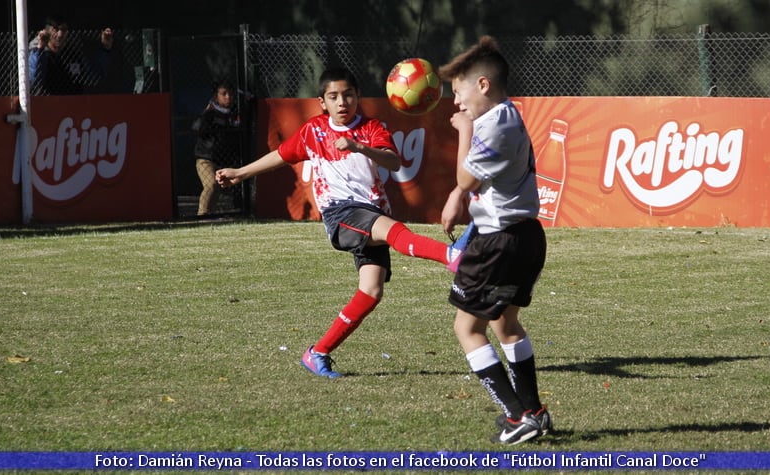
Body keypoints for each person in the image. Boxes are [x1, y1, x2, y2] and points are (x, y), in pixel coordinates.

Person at [216, 67, 462, 378]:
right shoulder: (314, 131)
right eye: (333, 97)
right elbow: (281, 154)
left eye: (348, 95)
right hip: (340, 213)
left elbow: (393, 160)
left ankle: (317, 352)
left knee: (371, 292)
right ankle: (451, 257)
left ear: (358, 97)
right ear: (322, 102)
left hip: (370, 209)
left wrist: (360, 147)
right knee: (392, 231)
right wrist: (240, 173)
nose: (342, 102)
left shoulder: (371, 128)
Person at [438, 36, 553, 445]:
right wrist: (457, 197)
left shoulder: (491, 123)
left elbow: (466, 178)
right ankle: (534, 410)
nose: (456, 103)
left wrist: (464, 130)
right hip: (525, 236)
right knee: (506, 325)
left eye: (459, 92)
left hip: (499, 242)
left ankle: (517, 413)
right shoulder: (507, 114)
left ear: (482, 85)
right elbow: (473, 185)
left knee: (468, 328)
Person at [29, 17, 115, 95]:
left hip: (73, 106)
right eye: (55, 29)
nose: (60, 34)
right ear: (47, 31)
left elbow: (94, 77)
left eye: (63, 30)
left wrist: (105, 48)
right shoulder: (39, 54)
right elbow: (35, 78)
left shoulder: (72, 55)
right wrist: (40, 48)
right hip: (48, 105)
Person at [192, 81, 241, 216]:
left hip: (224, 160)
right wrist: (207, 116)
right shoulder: (210, 113)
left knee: (217, 188)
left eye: (230, 94)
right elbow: (196, 128)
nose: (228, 97)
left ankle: (211, 216)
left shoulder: (236, 112)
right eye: (223, 94)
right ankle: (202, 216)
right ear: (216, 96)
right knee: (211, 185)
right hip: (205, 159)